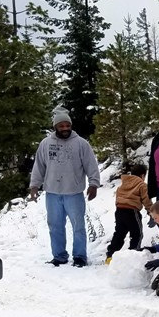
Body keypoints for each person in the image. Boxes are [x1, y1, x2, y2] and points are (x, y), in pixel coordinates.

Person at [29, 106, 101, 267]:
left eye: (67, 126)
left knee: (78, 227)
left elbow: (91, 164)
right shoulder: (46, 144)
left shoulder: (81, 144)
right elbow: (39, 166)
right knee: (55, 226)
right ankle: (59, 256)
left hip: (74, 193)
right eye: (61, 126)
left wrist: (94, 184)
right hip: (52, 193)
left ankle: (80, 256)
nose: (65, 129)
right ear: (55, 127)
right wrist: (34, 185)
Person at [105, 163, 153, 264]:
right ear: (143, 175)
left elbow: (118, 196)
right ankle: (133, 254)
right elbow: (146, 199)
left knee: (119, 234)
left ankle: (110, 255)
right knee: (137, 234)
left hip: (119, 211)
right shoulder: (142, 184)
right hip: (132, 212)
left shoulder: (123, 183)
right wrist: (151, 211)